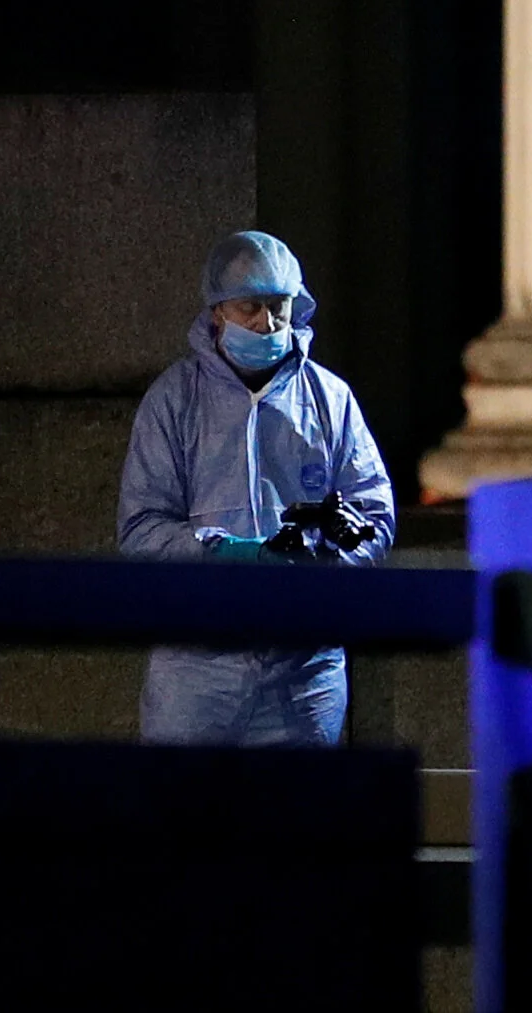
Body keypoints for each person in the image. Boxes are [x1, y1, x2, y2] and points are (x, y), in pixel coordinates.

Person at [117, 230, 396, 746]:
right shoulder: (174, 401)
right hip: (197, 669)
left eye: (278, 308)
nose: (266, 323)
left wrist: (328, 560)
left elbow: (374, 513)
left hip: (303, 669)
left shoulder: (329, 400)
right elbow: (141, 529)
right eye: (249, 307)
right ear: (217, 312)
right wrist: (230, 554)